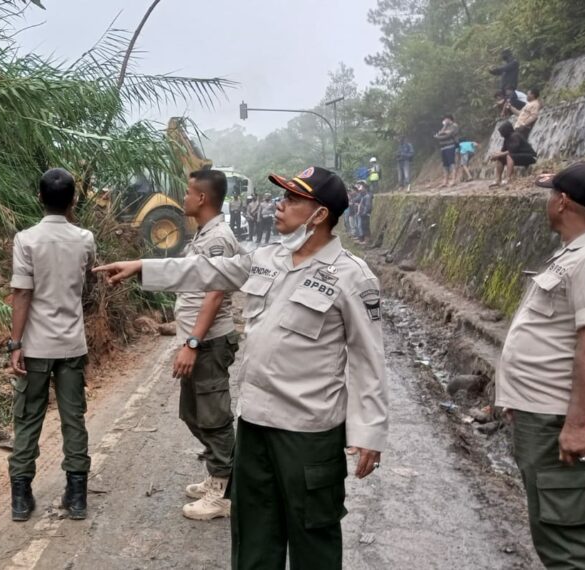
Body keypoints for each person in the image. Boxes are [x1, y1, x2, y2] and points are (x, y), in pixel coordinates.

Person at [95, 166, 389, 570]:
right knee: (254, 535)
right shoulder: (267, 259)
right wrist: (143, 266)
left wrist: (369, 432)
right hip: (254, 426)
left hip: (308, 434)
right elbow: (205, 270)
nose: (279, 205)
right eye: (282, 196)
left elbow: (369, 359)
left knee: (314, 540)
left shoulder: (351, 276)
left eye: (292, 200)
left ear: (320, 214)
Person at [494, 162, 585, 569]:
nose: (547, 202)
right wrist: (518, 397)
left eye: (550, 194)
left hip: (557, 417)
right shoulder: (574, 254)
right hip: (543, 409)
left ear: (563, 202)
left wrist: (577, 426)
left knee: (562, 537)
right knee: (573, 518)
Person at [7, 167, 97, 522]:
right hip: (71, 344)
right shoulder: (85, 238)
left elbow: (21, 294)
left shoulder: (26, 240)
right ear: (73, 200)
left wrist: (15, 343)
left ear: (40, 198)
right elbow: (87, 282)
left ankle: (20, 498)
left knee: (28, 418)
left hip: (35, 346)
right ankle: (77, 497)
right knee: (73, 419)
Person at [171, 169, 242, 520]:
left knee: (214, 418)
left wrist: (192, 343)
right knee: (192, 413)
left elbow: (214, 295)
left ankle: (224, 492)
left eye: (187, 192)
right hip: (198, 341)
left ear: (201, 198)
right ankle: (222, 474)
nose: (183, 197)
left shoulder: (218, 239)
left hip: (208, 343)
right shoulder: (203, 234)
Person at [489, 122, 537, 187]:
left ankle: (508, 179)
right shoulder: (507, 139)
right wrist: (495, 155)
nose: (500, 134)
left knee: (509, 156)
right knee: (500, 158)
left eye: (502, 132)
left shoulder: (515, 136)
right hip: (519, 156)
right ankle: (498, 180)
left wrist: (498, 155)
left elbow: (512, 151)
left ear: (506, 130)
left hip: (531, 157)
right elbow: (503, 151)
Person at [434, 114, 460, 188]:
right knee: (445, 165)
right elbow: (439, 134)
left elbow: (449, 134)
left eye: (446, 119)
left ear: (449, 119)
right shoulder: (445, 127)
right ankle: (445, 181)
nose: (444, 121)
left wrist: (440, 135)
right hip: (443, 147)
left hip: (450, 146)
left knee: (452, 163)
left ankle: (453, 180)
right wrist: (444, 129)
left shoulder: (454, 126)